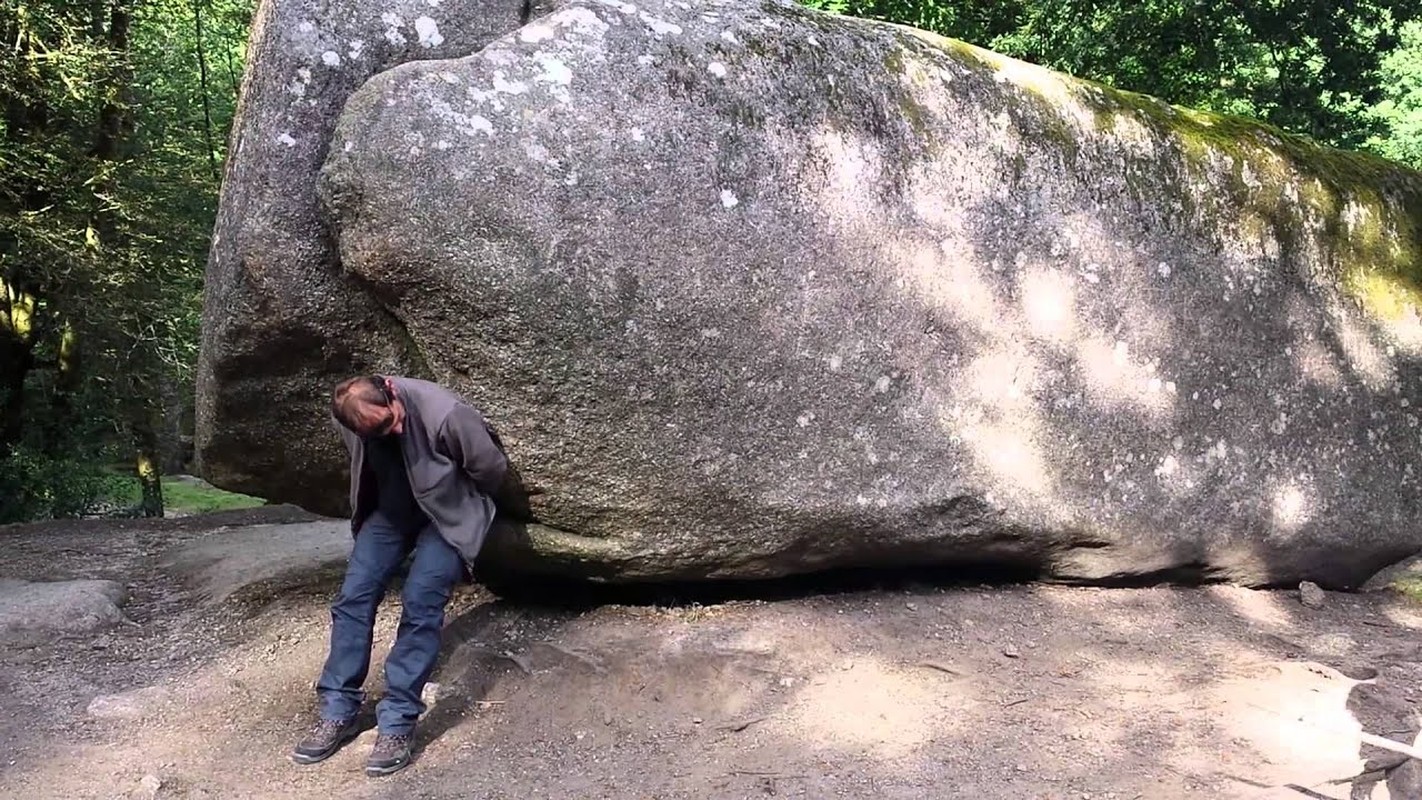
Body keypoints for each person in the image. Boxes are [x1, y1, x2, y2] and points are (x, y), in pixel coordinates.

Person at [291, 374, 509, 776]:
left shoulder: (446, 414)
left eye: (392, 419)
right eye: (381, 431)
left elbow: (491, 470)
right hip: (391, 514)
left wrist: (459, 505)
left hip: (447, 519)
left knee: (421, 602)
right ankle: (339, 710)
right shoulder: (350, 419)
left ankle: (397, 722)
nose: (396, 430)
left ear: (390, 390)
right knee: (354, 597)